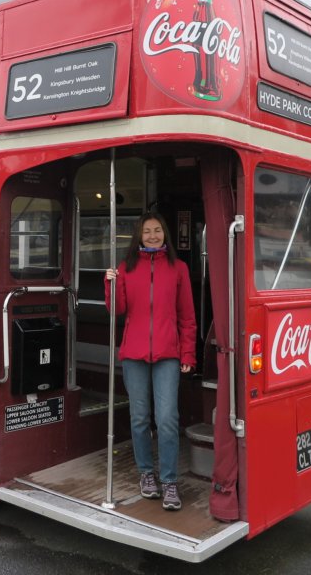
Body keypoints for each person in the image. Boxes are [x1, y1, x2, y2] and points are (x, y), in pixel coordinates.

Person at [105, 213, 196, 511]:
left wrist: (188, 353)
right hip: (134, 354)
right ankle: (146, 473)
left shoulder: (178, 268)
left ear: (165, 234)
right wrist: (110, 283)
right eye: (147, 231)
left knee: (167, 419)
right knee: (140, 418)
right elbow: (117, 309)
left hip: (168, 354)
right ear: (139, 236)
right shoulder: (126, 268)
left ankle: (169, 481)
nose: (153, 235)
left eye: (158, 230)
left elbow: (187, 316)